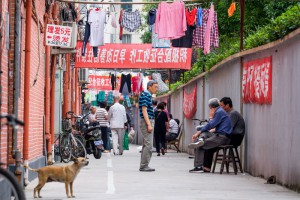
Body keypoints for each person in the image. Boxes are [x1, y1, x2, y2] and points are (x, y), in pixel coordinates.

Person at [188, 98, 232, 173]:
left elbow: (211, 125)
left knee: (199, 145)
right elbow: (211, 126)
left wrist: (211, 116)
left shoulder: (219, 112)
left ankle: (199, 167)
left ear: (211, 107)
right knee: (205, 133)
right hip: (219, 135)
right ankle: (201, 140)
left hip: (222, 137)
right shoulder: (220, 111)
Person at [139, 80, 158, 172]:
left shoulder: (147, 95)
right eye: (155, 87)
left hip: (147, 120)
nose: (156, 89)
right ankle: (144, 166)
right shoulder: (145, 95)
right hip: (147, 121)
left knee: (146, 144)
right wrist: (149, 124)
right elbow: (144, 110)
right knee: (149, 145)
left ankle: (144, 165)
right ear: (149, 86)